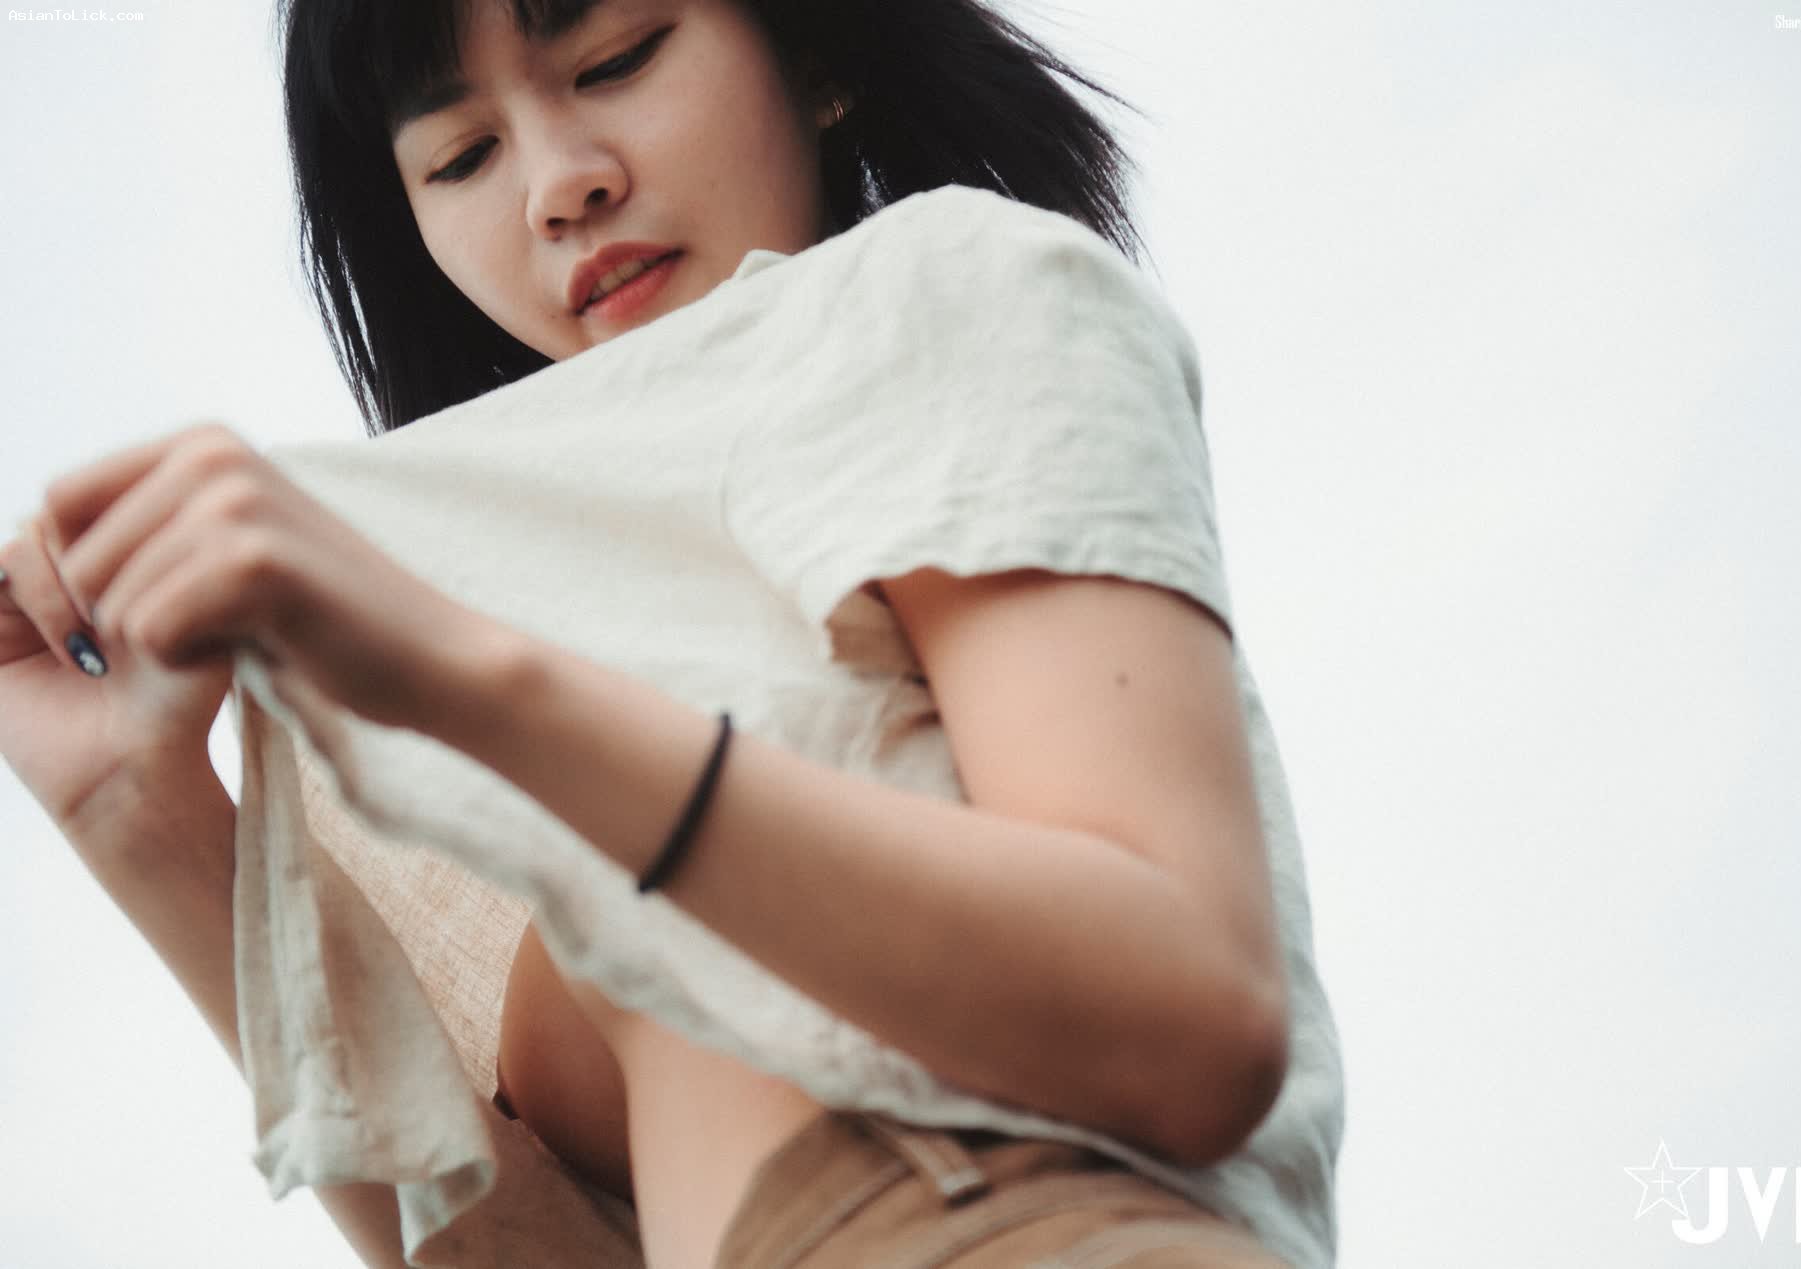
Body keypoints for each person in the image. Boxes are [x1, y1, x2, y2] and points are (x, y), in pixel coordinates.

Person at [0, 0, 1344, 1266]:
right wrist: (135, 809)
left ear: (812, 50)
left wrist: (466, 679)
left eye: (618, 59)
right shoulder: (470, 631)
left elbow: (1193, 1019)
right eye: (461, 156)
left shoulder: (939, 292)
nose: (557, 185)